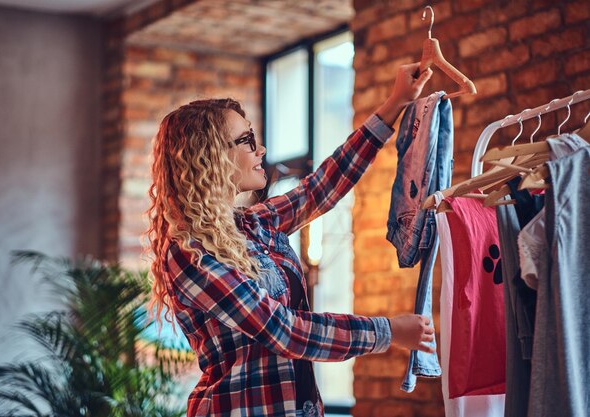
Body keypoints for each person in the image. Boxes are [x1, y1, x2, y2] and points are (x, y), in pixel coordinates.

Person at [146, 62, 434, 417]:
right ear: (211, 157)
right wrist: (387, 331)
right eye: (247, 140)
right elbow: (285, 331)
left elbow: (321, 188)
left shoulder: (253, 225)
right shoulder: (188, 252)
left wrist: (394, 104)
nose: (261, 149)